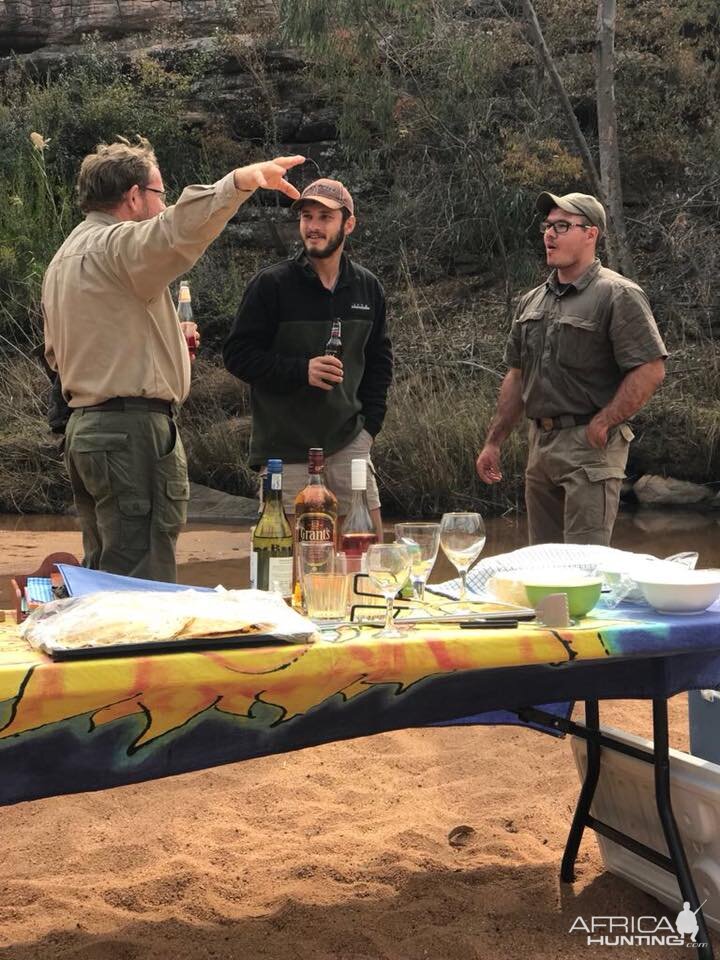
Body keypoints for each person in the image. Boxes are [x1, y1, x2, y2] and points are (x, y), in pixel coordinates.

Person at [42, 137, 304, 581]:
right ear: (133, 196)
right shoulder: (118, 246)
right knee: (139, 582)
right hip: (130, 434)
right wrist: (237, 183)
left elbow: (58, 356)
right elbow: (176, 231)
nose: (164, 205)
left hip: (86, 432)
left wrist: (159, 342)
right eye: (160, 194)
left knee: (105, 575)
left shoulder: (63, 258)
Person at [476, 191, 667, 546]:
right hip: (541, 444)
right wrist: (494, 441)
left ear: (590, 233)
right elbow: (517, 375)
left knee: (584, 566)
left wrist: (606, 420)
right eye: (547, 226)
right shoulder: (531, 301)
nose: (550, 235)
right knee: (543, 564)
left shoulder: (618, 294)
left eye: (562, 226)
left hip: (590, 445)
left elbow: (650, 368)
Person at [222, 178, 393, 540]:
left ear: (348, 224)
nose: (313, 226)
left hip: (350, 445)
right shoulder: (271, 285)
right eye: (307, 217)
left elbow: (380, 362)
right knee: (289, 569)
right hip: (285, 453)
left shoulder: (368, 287)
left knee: (366, 561)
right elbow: (237, 356)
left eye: (325, 217)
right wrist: (302, 370)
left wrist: (369, 431)